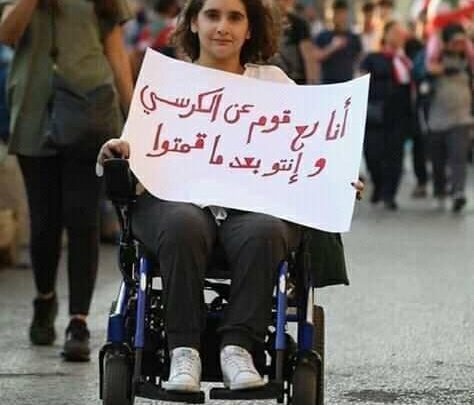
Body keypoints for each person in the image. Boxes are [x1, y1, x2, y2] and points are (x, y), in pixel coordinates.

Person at [98, 0, 363, 393]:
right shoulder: (169, 81)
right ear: (193, 22)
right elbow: (137, 148)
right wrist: (117, 150)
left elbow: (309, 148)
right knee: (184, 223)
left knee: (264, 232)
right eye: (213, 15)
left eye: (235, 17)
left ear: (249, 29)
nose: (223, 27)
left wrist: (337, 178)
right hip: (176, 207)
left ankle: (238, 348)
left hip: (252, 210)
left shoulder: (273, 83)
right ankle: (183, 351)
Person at [0, 0, 134, 361]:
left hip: (90, 111)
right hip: (34, 112)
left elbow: (116, 52)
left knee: (82, 218)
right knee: (44, 221)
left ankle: (79, 321)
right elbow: (7, 34)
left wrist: (135, 116)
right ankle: (45, 299)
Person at [360, 20, 413, 210]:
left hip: (398, 113)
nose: (399, 36)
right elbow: (361, 78)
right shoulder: (372, 57)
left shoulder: (405, 60)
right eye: (395, 32)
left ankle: (389, 194)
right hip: (376, 112)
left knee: (395, 155)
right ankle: (379, 185)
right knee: (373, 153)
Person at [426, 23, 473, 212]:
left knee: (458, 157)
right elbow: (423, 71)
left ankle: (458, 192)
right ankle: (439, 191)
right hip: (437, 120)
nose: (459, 45)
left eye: (462, 42)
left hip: (461, 118)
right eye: (455, 42)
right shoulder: (434, 58)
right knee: (438, 161)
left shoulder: (467, 60)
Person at [314, 0, 362, 84]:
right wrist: (332, 47)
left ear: (346, 14)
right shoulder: (323, 35)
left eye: (342, 13)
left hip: (348, 83)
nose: (339, 17)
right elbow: (316, 57)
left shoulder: (354, 37)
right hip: (328, 84)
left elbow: (359, 60)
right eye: (337, 13)